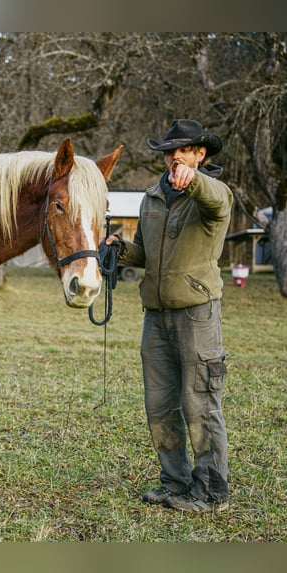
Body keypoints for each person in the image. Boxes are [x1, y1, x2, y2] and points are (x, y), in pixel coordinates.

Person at [106, 119, 233, 513]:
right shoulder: (151, 198)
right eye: (169, 150)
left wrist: (190, 180)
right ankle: (174, 483)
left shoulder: (213, 193)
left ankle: (212, 493)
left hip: (196, 316)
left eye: (184, 149)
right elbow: (144, 253)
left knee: (200, 404)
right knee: (160, 406)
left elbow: (213, 198)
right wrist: (118, 249)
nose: (174, 156)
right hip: (155, 316)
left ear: (200, 154)